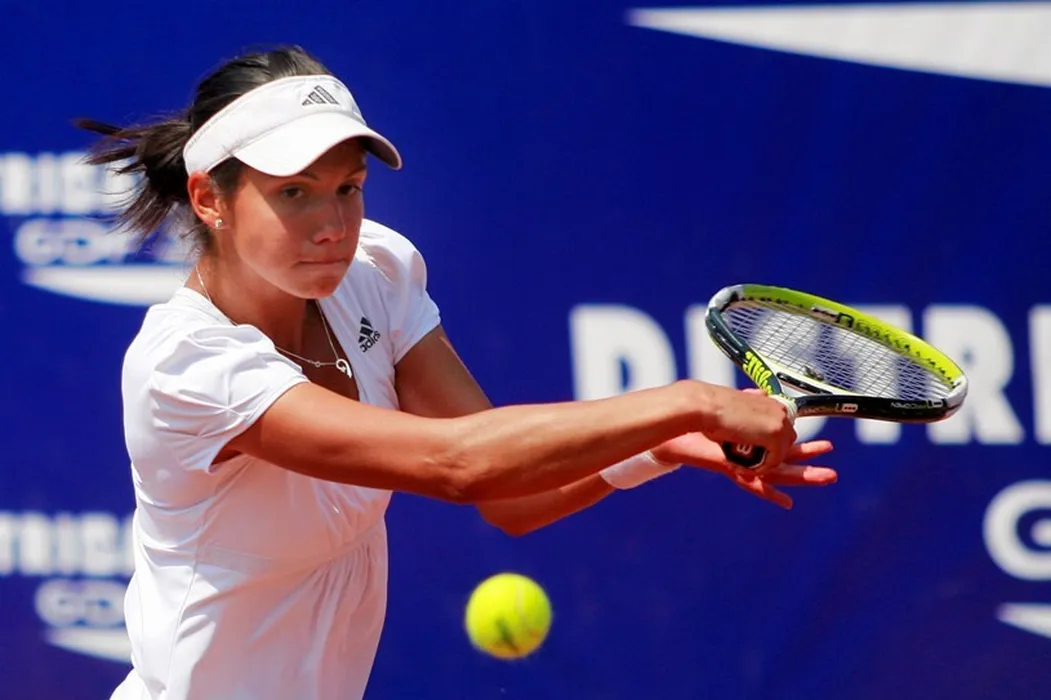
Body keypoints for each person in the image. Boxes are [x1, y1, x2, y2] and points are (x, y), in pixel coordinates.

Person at [78, 45, 837, 700]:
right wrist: (687, 402)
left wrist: (656, 447)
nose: (333, 226)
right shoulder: (189, 366)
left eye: (347, 188)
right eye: (293, 194)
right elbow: (457, 463)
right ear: (210, 199)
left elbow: (510, 495)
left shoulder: (376, 273)